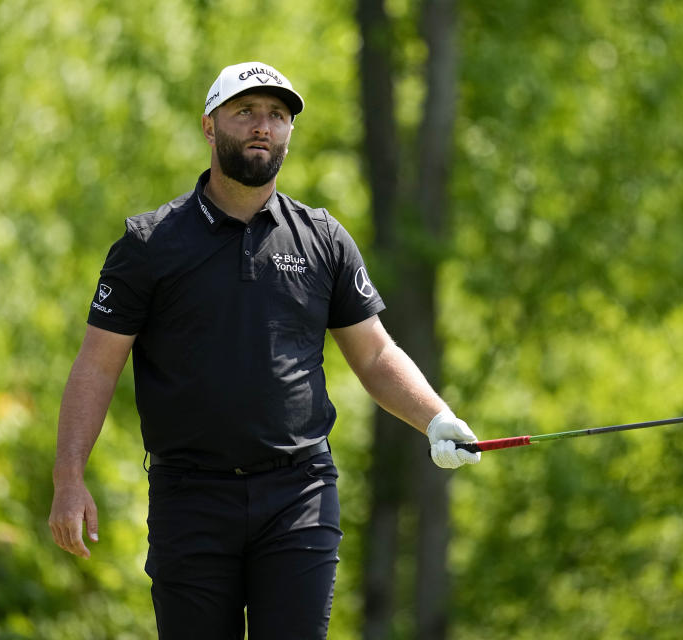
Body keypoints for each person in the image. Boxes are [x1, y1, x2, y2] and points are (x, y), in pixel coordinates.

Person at [48, 61, 480, 640]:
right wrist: (69, 477)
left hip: (298, 494)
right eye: (245, 111)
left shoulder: (323, 238)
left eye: (277, 116)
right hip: (190, 497)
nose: (263, 126)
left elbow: (376, 355)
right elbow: (97, 365)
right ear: (209, 126)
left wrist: (436, 418)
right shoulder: (149, 244)